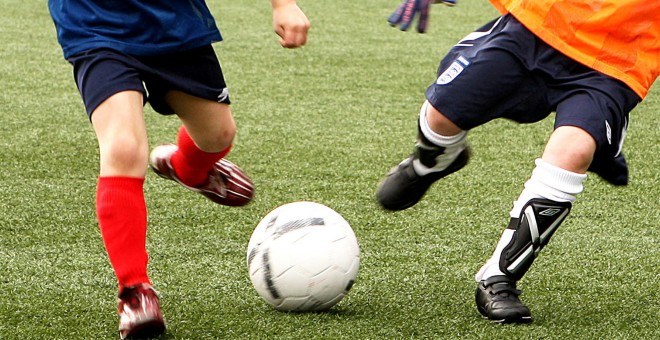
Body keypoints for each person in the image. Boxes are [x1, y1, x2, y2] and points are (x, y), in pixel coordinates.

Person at [379, 0, 659, 323]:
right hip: (537, 23)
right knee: (442, 115)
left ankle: (498, 277)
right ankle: (433, 161)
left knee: (575, 149)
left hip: (617, 59)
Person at [47, 0, 310, 338]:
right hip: (96, 25)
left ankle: (189, 168)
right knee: (124, 147)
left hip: (173, 21)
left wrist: (283, 5)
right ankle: (135, 292)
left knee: (217, 134)